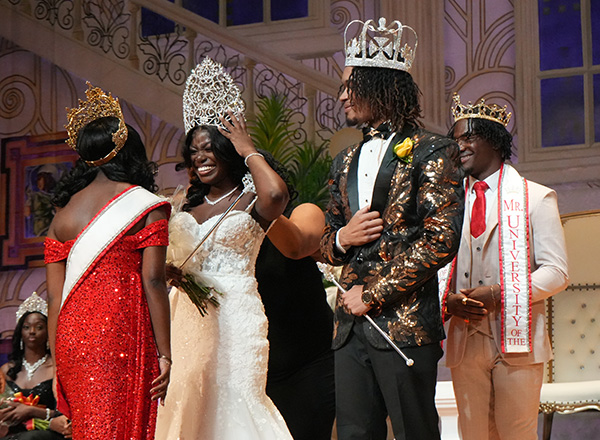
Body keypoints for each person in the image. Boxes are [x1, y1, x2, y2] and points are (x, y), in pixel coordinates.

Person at [320, 18, 464, 440]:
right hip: (348, 329)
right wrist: (342, 238)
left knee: (414, 431)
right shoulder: (342, 161)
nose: (341, 94)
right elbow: (326, 242)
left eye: (351, 85)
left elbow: (441, 239)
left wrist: (375, 292)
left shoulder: (433, 150)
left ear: (381, 85)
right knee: (353, 433)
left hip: (405, 323)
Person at [155, 58, 291, 440]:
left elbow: (277, 193)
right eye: (194, 151)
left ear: (227, 150)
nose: (200, 157)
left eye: (209, 147)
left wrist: (247, 147)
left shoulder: (251, 200)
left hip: (236, 316)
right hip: (185, 318)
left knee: (237, 397)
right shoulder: (182, 204)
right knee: (188, 402)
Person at [44, 84, 171, 440]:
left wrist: (57, 366)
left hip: (70, 340)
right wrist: (167, 354)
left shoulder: (61, 216)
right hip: (120, 329)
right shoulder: (147, 205)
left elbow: (55, 299)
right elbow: (154, 282)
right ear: (128, 153)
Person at [443, 94, 569, 440]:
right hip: (465, 340)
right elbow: (436, 265)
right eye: (456, 140)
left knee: (517, 435)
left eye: (468, 137)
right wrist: (446, 299)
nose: (460, 146)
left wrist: (500, 294)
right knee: (474, 435)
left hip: (519, 342)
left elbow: (556, 271)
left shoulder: (536, 198)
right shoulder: (447, 205)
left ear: (494, 141)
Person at [255, 161, 335, 440]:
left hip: (308, 363)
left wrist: (263, 205)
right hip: (255, 365)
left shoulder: (303, 212)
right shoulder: (231, 227)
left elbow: (297, 247)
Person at [0, 292, 71, 439]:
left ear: (48, 333)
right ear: (20, 332)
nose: (32, 332)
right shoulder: (7, 369)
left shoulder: (56, 369)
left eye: (39, 327)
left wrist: (32, 411)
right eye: (27, 327)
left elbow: (66, 413)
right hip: (12, 432)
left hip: (46, 433)